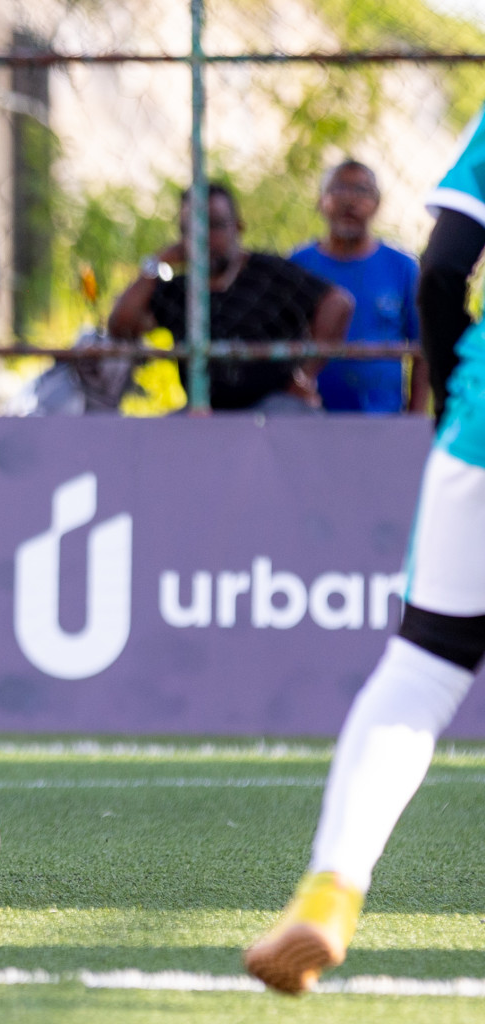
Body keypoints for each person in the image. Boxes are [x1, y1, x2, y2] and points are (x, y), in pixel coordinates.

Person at [243, 114, 485, 995]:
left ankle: (332, 893)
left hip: (482, 429)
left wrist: (461, 392)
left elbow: (445, 271)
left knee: (423, 668)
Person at [107, 183, 354, 412]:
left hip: (272, 405)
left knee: (294, 422)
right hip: (206, 411)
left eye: (214, 225)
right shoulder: (179, 289)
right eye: (190, 229)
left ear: (237, 227)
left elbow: (338, 302)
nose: (203, 238)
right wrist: (156, 264)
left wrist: (305, 374)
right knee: (164, 440)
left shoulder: (268, 272)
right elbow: (121, 326)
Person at [289, 161, 422, 414]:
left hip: (383, 420)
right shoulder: (297, 265)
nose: (349, 201)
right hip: (309, 417)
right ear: (320, 200)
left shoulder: (403, 268)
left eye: (362, 191)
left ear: (377, 204)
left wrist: (415, 420)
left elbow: (421, 350)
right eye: (338, 189)